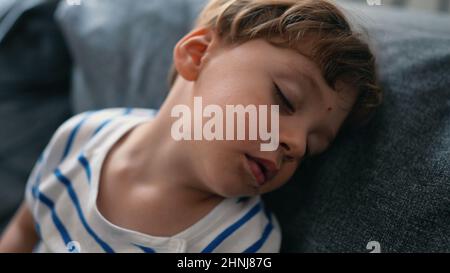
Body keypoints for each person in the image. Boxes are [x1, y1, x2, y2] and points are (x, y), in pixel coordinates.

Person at [0, 0, 382, 253]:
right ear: (197, 55)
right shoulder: (81, 136)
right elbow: (23, 230)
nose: (296, 145)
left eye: (314, 146)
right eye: (284, 99)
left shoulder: (242, 241)